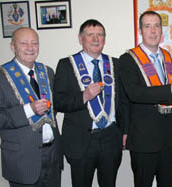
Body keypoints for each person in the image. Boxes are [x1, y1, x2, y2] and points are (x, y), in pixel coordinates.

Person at [0, 27, 62, 187]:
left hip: (52, 155)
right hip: (22, 160)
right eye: (24, 43)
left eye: (34, 43)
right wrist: (29, 110)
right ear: (13, 47)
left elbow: (54, 109)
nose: (30, 48)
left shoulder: (47, 72)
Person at [119, 11, 172, 187]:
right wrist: (170, 88)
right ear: (140, 30)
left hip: (168, 138)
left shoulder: (170, 58)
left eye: (156, 25)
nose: (153, 30)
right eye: (147, 26)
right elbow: (135, 93)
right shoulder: (127, 59)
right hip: (143, 140)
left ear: (161, 30)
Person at [54, 19, 123, 187]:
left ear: (104, 40)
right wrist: (83, 96)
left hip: (110, 138)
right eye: (90, 34)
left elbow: (124, 102)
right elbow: (58, 102)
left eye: (100, 35)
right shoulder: (66, 64)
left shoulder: (115, 64)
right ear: (80, 39)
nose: (95, 39)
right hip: (81, 141)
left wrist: (124, 131)